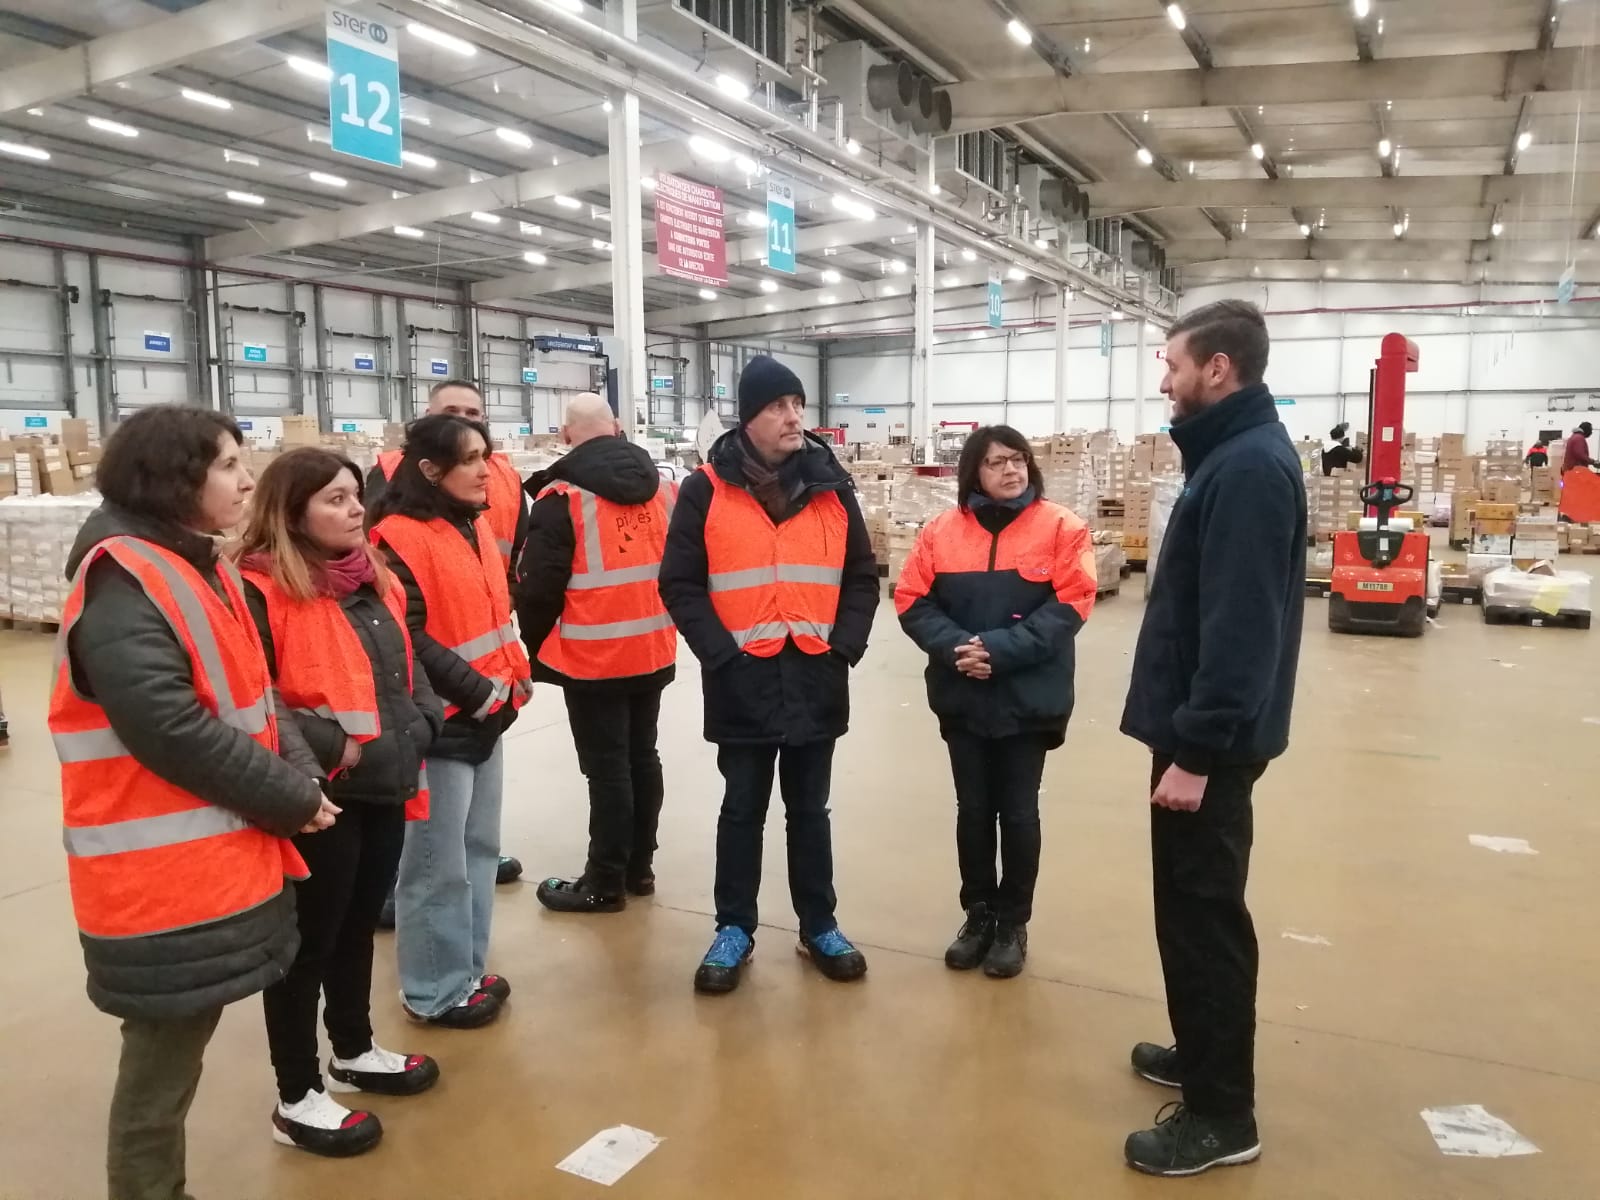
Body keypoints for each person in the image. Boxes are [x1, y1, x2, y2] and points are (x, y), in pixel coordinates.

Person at [47, 405, 326, 1200]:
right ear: (174, 478)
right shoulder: (125, 579)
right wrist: (289, 797)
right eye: (229, 464)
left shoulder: (201, 565)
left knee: (176, 1051)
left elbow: (255, 692)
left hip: (209, 864)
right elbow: (170, 728)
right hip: (154, 880)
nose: (247, 479)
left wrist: (301, 777)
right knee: (161, 1063)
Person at [1119, 300, 1306, 1178]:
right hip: (1199, 730)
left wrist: (1195, 751)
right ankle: (1201, 1054)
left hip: (1212, 744)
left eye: (1172, 363)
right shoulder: (1230, 455)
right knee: (1187, 909)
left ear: (1217, 369)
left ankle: (1223, 1114)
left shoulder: (1250, 468)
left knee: (1205, 919)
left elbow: (1241, 631)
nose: (1165, 379)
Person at [234, 448, 445, 1156]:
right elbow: (261, 695)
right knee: (308, 943)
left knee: (358, 925)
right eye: (334, 498)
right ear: (291, 511)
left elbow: (406, 665)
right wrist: (337, 750)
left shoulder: (372, 576)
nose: (356, 509)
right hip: (321, 793)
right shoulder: (259, 589)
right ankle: (295, 1097)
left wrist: (424, 723)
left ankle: (353, 1050)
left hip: (386, 779)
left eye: (356, 495)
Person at [659, 354, 880, 994]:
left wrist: (843, 648)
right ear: (749, 417)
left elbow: (861, 578)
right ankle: (734, 928)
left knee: (810, 810)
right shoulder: (705, 490)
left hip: (815, 673)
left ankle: (820, 925)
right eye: (779, 406)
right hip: (742, 678)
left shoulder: (832, 488)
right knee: (742, 809)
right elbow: (679, 582)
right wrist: (721, 655)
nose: (793, 417)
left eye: (798, 405)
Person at [894, 426, 1098, 980]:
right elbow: (912, 599)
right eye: (995, 462)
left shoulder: (1062, 527)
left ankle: (1013, 922)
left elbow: (1073, 602)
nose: (1010, 470)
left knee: (1019, 810)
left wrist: (999, 650)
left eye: (1017, 459)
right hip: (962, 693)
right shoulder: (941, 532)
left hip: (1028, 698)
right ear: (973, 473)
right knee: (974, 810)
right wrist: (958, 648)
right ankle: (978, 914)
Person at [369, 414, 532, 1028]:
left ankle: (465, 969)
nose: (485, 471)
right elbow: (406, 637)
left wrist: (515, 672)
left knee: (479, 850)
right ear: (430, 470)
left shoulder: (472, 525)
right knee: (437, 864)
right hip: (442, 723)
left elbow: (492, 614)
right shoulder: (397, 539)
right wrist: (477, 690)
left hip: (487, 714)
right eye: (468, 460)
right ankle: (433, 990)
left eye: (485, 456)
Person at [516, 393, 677, 912]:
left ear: (566, 435)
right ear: (618, 426)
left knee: (607, 769)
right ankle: (639, 869)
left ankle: (605, 881)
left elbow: (538, 588)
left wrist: (536, 646)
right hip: (652, 646)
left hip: (592, 656)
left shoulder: (560, 496)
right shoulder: (662, 489)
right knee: (642, 756)